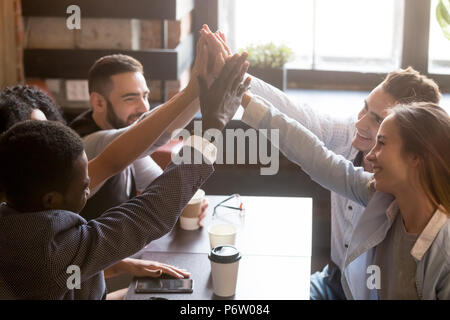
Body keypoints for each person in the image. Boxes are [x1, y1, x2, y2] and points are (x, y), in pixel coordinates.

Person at [200, 25, 442, 299]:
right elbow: (308, 146)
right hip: (334, 281)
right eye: (364, 108)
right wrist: (237, 83)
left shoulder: (436, 243)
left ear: (416, 156)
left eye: (379, 127)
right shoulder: (369, 185)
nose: (359, 124)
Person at [0, 52, 251, 299]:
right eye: (85, 185)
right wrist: (214, 122)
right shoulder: (49, 248)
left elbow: (113, 161)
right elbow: (151, 211)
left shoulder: (16, 211)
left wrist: (120, 267)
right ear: (51, 200)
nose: (90, 184)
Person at [238, 93, 450, 299]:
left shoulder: (444, 253)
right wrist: (243, 98)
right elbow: (316, 158)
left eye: (382, 143)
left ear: (416, 157)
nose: (370, 155)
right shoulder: (384, 197)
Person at [69, 54, 208, 223]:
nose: (144, 107)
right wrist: (201, 86)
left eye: (145, 96)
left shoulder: (128, 142)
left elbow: (162, 189)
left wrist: (185, 202)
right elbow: (158, 133)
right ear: (98, 102)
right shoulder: (86, 144)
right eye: (130, 98)